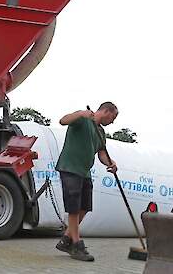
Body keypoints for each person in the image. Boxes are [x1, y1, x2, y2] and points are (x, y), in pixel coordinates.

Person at [53, 102, 119, 262]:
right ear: (106, 111)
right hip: (70, 167)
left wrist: (111, 162)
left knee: (84, 207)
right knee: (74, 208)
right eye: (113, 117)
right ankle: (76, 244)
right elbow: (63, 120)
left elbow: (101, 153)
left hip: (85, 172)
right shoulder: (82, 119)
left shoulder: (100, 132)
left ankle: (66, 240)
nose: (113, 121)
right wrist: (81, 114)